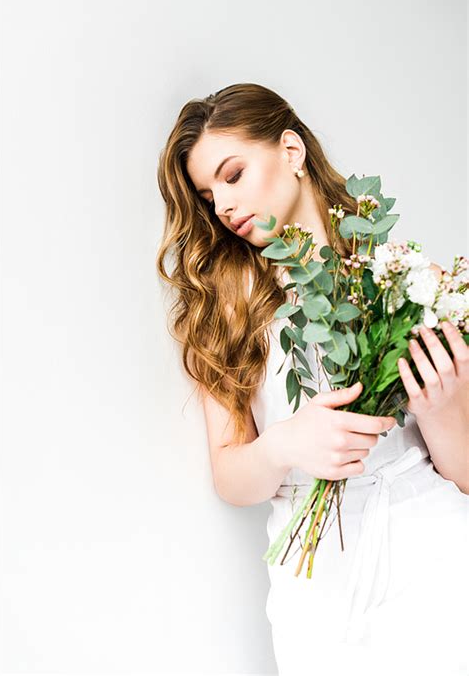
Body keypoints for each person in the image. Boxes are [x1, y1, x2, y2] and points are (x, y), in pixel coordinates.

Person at [156, 82, 469, 675]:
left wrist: (442, 408)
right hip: (315, 571)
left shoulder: (415, 283)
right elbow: (231, 476)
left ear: (292, 152)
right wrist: (283, 445)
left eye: (233, 174)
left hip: (432, 544)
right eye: (207, 194)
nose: (221, 205)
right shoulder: (226, 310)